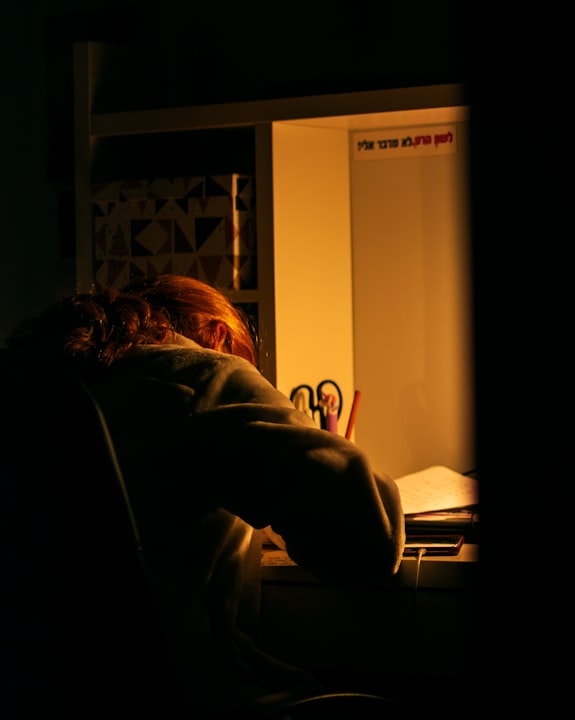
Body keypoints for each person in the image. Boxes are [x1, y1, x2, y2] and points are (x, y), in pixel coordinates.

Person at [3, 274, 405, 719]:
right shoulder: (200, 376)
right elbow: (371, 539)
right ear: (217, 336)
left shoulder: (37, 386)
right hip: (193, 699)